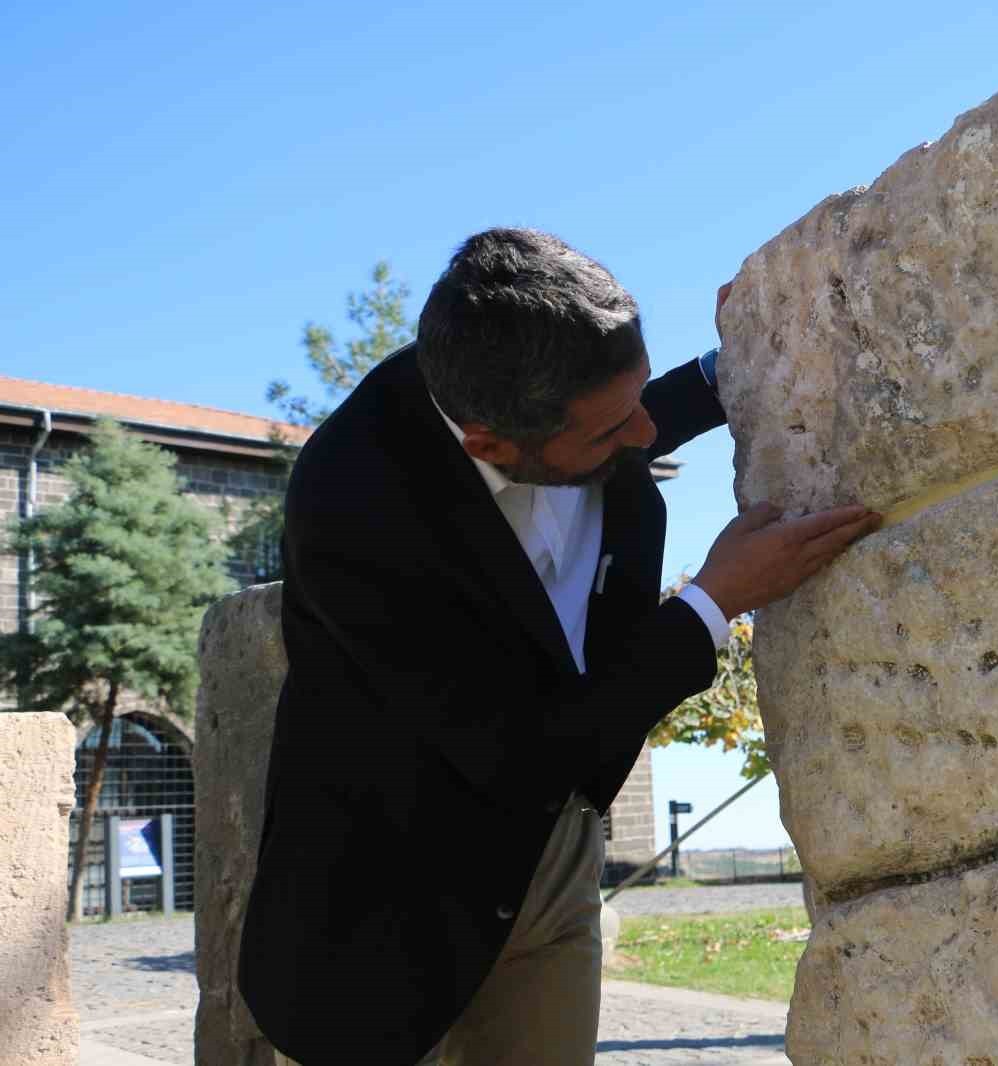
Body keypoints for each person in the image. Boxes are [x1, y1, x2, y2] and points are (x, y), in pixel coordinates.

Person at [237, 227, 880, 1066]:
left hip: (552, 862)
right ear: (488, 444)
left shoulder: (526, 382)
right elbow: (515, 748)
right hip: (384, 905)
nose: (647, 432)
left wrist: (734, 367)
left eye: (641, 395)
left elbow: (617, 414)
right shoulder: (354, 506)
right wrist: (715, 601)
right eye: (616, 429)